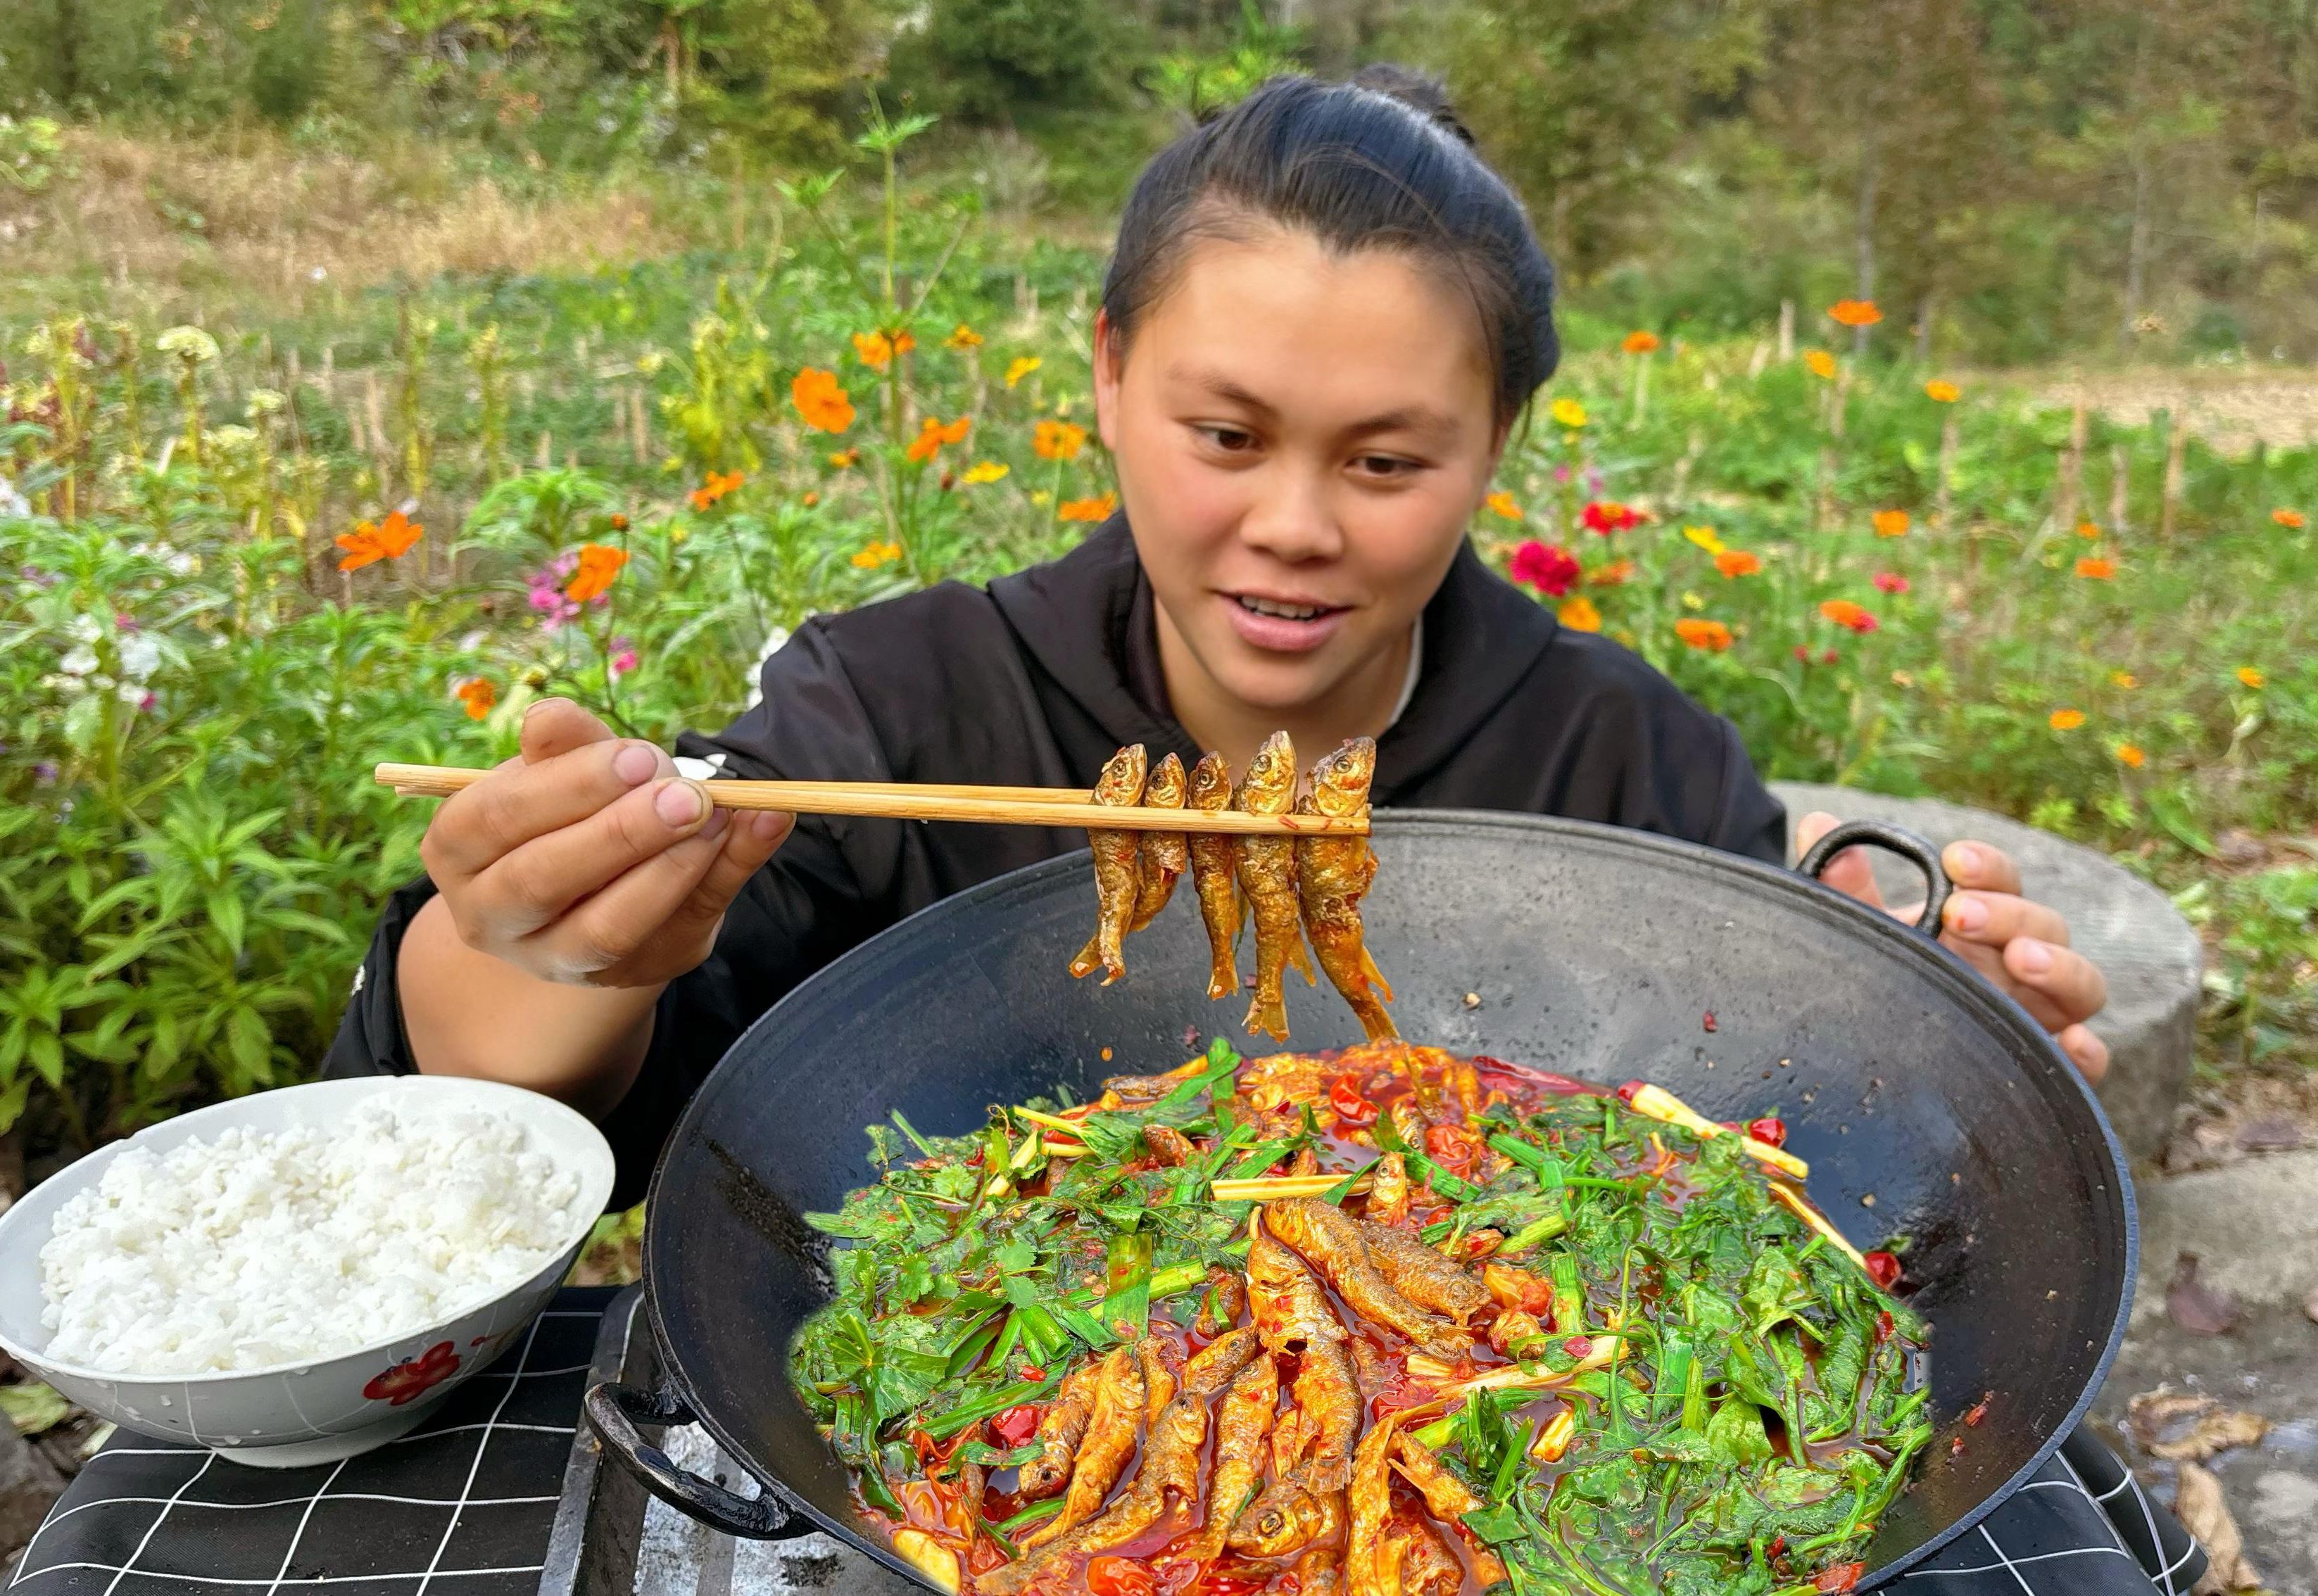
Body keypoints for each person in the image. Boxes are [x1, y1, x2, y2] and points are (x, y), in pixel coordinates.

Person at [325, 67, 2196, 1595]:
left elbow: (1800, 1135)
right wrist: (544, 938)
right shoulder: (891, 713)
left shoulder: (1627, 756)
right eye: (1225, 432)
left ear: (1495, 440)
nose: (1297, 524)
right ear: (1107, 375)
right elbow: (531, 1106)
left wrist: (1926, 1037)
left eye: (1387, 461)